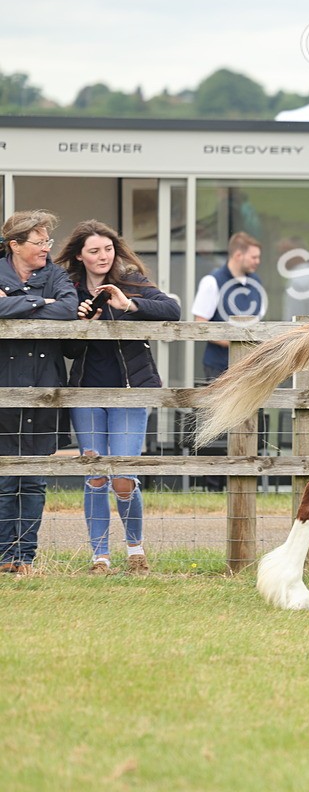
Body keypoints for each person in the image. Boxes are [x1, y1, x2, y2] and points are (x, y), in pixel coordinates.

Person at [55, 221, 181, 575]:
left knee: (124, 476)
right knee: (95, 475)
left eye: (107, 249)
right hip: (86, 393)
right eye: (94, 251)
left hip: (131, 391)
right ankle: (100, 557)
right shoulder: (69, 289)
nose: (102, 257)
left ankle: (135, 549)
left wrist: (129, 305)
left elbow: (172, 310)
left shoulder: (132, 280)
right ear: (80, 255)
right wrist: (82, 323)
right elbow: (63, 348)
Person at [0, 210, 78, 575]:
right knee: (3, 478)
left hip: (45, 392)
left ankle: (26, 557)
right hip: (5, 391)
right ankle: (4, 557)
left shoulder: (56, 275)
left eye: (48, 241)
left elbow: (67, 309)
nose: (47, 248)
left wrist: (22, 303)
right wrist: (39, 302)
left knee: (33, 480)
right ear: (14, 245)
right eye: (39, 242)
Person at [192, 232, 263, 381]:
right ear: (238, 255)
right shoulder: (212, 282)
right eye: (254, 257)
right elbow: (200, 323)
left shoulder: (256, 282)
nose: (258, 261)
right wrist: (233, 342)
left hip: (252, 366)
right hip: (219, 367)